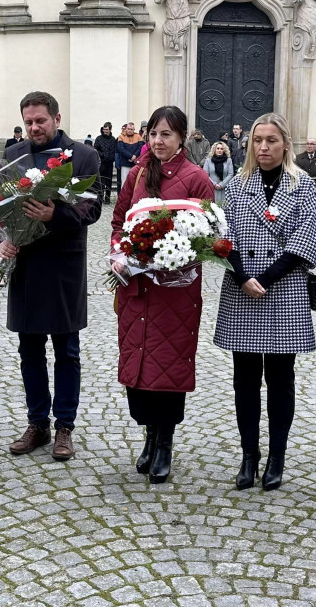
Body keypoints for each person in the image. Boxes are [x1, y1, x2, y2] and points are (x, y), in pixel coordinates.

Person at [214, 113, 316, 492]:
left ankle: (276, 457)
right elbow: (224, 235)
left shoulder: (303, 184)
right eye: (257, 140)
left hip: (284, 288)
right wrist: (243, 276)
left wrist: (267, 277)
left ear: (285, 143)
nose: (263, 147)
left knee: (280, 379)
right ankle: (249, 456)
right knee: (244, 380)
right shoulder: (238, 185)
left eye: (271, 140)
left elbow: (308, 236)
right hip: (242, 289)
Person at [112, 106, 215, 484]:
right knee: (137, 364)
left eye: (166, 134)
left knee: (167, 368)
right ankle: (149, 435)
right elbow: (119, 220)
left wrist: (178, 259)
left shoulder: (196, 178)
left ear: (182, 137)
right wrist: (119, 254)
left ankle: (165, 442)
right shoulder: (137, 174)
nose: (157, 141)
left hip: (176, 294)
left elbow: (209, 235)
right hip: (137, 289)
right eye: (153, 133)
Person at [0, 92, 102, 462]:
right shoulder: (14, 156)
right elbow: (3, 208)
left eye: (40, 120)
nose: (34, 127)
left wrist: (53, 217)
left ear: (56, 118)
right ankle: (38, 423)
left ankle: (65, 427)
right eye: (28, 121)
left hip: (63, 264)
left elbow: (91, 209)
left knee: (66, 351)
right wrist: (5, 240)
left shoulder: (84, 155)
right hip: (26, 264)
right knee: (29, 350)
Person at [94, 122, 118, 204]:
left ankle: (107, 198)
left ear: (110, 129)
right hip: (102, 163)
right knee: (101, 181)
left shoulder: (113, 139)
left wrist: (112, 158)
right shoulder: (98, 139)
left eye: (107, 129)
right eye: (104, 129)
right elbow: (96, 149)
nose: (105, 131)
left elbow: (114, 150)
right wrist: (102, 155)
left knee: (109, 181)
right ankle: (100, 198)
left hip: (109, 163)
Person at [116, 122, 144, 190]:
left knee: (135, 182)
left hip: (135, 163)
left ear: (134, 129)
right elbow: (121, 149)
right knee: (124, 182)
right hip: (125, 163)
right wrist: (131, 156)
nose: (130, 130)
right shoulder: (121, 136)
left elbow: (140, 147)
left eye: (131, 129)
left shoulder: (138, 136)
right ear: (126, 129)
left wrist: (135, 156)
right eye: (128, 129)